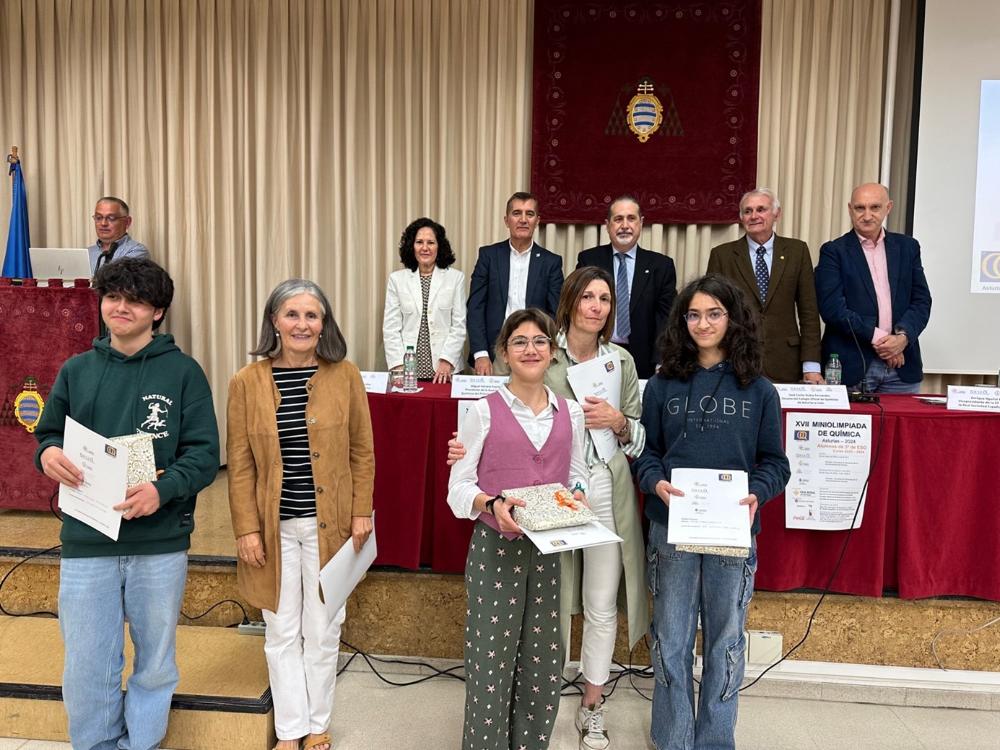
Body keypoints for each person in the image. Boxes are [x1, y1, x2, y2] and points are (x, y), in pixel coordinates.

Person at [449, 268, 649, 750]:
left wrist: (615, 432)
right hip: (510, 530)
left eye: (605, 298)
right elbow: (469, 474)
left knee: (575, 625)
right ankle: (502, 730)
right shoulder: (511, 387)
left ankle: (581, 712)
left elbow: (610, 453)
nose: (596, 305)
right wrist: (485, 494)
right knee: (513, 640)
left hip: (585, 510)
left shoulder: (607, 375)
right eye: (587, 296)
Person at [34, 257, 220, 750]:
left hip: (159, 542)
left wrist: (164, 488)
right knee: (87, 662)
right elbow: (48, 434)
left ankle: (142, 744)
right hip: (86, 539)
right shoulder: (76, 370)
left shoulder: (183, 373)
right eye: (113, 297)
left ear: (157, 312)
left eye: (135, 300)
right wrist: (48, 453)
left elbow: (204, 455)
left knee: (155, 662)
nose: (121, 307)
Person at [633, 274, 790, 750]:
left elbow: (775, 464)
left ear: (733, 319)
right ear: (683, 322)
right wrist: (653, 482)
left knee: (725, 643)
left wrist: (757, 493)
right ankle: (674, 739)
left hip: (732, 534)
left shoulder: (759, 390)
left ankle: (716, 741)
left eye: (714, 313)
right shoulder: (662, 385)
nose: (703, 323)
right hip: (672, 530)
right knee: (671, 642)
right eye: (694, 314)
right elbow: (647, 453)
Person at [227, 279, 375, 750]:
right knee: (281, 629)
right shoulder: (245, 382)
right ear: (274, 320)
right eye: (292, 314)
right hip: (273, 530)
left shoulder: (345, 375)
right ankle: (290, 730)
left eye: (312, 316)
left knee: (323, 627)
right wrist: (247, 528)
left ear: (324, 324)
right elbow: (240, 464)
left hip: (329, 527)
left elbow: (362, 451)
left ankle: (318, 724)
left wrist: (361, 512)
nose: (302, 324)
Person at [447, 308, 588, 750]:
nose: (531, 349)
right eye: (520, 341)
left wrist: (579, 495)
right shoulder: (482, 411)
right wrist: (490, 503)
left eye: (540, 341)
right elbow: (458, 486)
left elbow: (579, 474)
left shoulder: (572, 412)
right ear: (505, 353)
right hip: (495, 547)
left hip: (549, 551)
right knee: (491, 663)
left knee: (543, 661)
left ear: (553, 352)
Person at [814, 182, 932, 393]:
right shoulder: (833, 251)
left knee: (904, 427)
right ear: (850, 209)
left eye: (875, 207)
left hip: (902, 369)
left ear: (888, 208)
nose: (867, 215)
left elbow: (921, 301)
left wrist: (902, 339)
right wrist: (882, 340)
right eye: (860, 208)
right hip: (851, 368)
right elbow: (832, 309)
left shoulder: (908, 247)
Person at [707, 188, 824, 383]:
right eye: (748, 211)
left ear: (776, 214)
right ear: (741, 218)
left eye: (761, 209)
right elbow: (713, 313)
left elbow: (809, 312)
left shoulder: (797, 251)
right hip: (736, 361)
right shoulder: (722, 255)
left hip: (786, 362)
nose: (754, 216)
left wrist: (811, 365)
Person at [576, 195, 676, 379]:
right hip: (596, 355)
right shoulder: (589, 260)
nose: (624, 225)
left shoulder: (661, 266)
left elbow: (666, 319)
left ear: (641, 223)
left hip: (643, 361)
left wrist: (662, 360)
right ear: (607, 225)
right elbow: (577, 309)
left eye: (631, 218)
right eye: (618, 219)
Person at [466, 192, 564, 375]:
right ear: (506, 220)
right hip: (494, 353)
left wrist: (544, 349)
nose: (523, 219)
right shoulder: (488, 256)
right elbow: (475, 307)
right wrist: (480, 353)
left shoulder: (551, 262)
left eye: (530, 214)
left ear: (537, 220)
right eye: (517, 213)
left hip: (534, 352)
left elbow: (557, 313)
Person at [382, 217, 467, 383]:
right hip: (407, 371)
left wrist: (447, 360)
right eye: (419, 242)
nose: (425, 248)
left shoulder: (455, 278)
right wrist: (398, 365)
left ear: (439, 246)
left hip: (445, 371)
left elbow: (459, 325)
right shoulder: (397, 280)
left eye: (431, 242)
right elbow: (391, 327)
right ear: (411, 246)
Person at [88, 196, 150, 274]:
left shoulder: (137, 251)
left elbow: (120, 282)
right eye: (98, 217)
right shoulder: (87, 253)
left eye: (111, 218)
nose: (103, 223)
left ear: (127, 222)